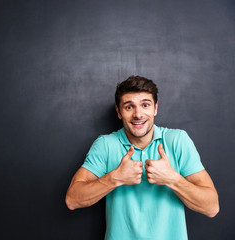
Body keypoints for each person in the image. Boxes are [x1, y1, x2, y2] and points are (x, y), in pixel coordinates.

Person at [65, 76, 219, 240]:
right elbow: (72, 200)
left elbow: (211, 207)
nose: (138, 114)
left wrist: (172, 179)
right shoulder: (105, 145)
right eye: (129, 107)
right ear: (119, 112)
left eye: (145, 105)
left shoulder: (178, 140)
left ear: (155, 109)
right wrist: (115, 178)